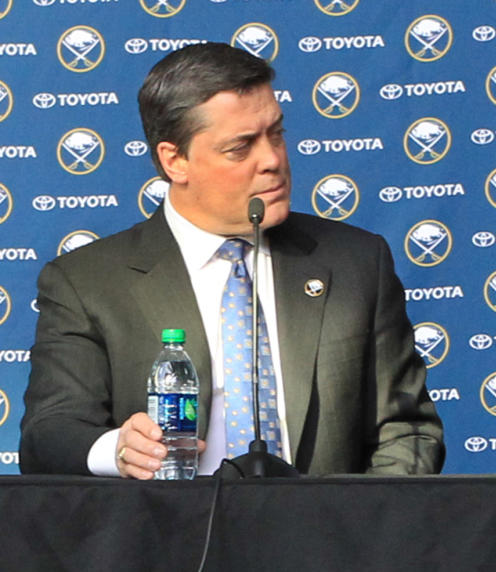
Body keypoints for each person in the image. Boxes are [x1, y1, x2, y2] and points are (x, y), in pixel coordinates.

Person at [20, 43, 444, 478]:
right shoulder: (87, 283)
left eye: (276, 134)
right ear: (175, 160)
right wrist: (120, 450)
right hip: (167, 539)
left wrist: (357, 535)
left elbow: (406, 430)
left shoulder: (356, 263)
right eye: (241, 148)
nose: (272, 160)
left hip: (325, 536)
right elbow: (49, 434)